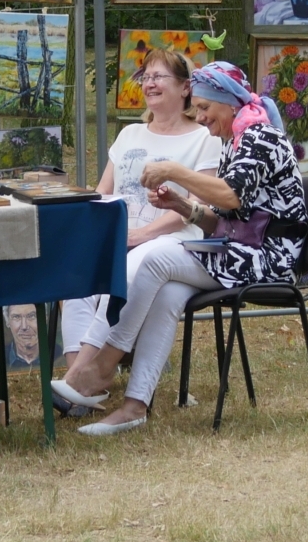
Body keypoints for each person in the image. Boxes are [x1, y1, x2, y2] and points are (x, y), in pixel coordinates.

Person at [53, 61, 306, 438]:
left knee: (154, 258)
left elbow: (232, 197)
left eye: (205, 107)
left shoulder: (260, 136)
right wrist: (182, 205)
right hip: (239, 250)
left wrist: (172, 170)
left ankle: (101, 369)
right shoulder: (237, 138)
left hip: (267, 259)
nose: (200, 117)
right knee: (168, 292)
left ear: (230, 103)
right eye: (197, 108)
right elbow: (221, 220)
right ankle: (135, 406)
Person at [59, 47, 222, 406]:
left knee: (130, 266)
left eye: (159, 76)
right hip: (123, 238)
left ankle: (78, 380)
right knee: (76, 278)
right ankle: (80, 387)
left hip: (173, 242)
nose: (149, 83)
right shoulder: (129, 134)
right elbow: (103, 193)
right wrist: (99, 235)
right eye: (145, 77)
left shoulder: (205, 138)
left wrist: (140, 235)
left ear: (185, 88)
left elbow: (197, 206)